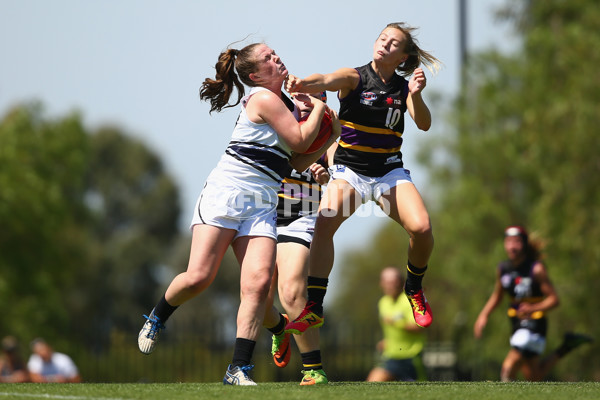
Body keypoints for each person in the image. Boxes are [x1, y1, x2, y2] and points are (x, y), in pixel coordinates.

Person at [137, 42, 339, 386]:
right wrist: (320, 107)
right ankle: (158, 316)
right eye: (268, 59)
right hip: (227, 195)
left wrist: (330, 135)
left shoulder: (288, 104)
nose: (277, 59)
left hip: (262, 203)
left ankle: (238, 368)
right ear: (254, 75)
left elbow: (296, 161)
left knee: (258, 286)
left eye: (276, 54)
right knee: (199, 277)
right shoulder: (262, 98)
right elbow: (301, 140)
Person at [284, 22, 442, 336]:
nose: (385, 44)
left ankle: (413, 289)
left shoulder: (402, 89)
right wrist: (303, 83)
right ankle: (314, 306)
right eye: (382, 38)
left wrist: (417, 94)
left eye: (393, 43)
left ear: (403, 56)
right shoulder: (354, 77)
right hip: (350, 172)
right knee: (323, 225)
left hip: (388, 171)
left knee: (422, 229)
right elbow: (326, 80)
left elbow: (423, 124)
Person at [263, 92, 336, 386]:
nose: (306, 102)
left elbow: (342, 180)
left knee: (291, 292)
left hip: (301, 218)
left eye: (315, 98)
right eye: (300, 97)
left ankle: (313, 369)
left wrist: (326, 179)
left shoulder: (329, 137)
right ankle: (280, 326)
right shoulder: (278, 124)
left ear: (324, 104)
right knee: (258, 301)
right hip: (265, 217)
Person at [473, 226, 593, 381]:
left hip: (534, 323)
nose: (512, 246)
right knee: (534, 376)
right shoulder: (503, 269)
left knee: (508, 368)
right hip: (516, 323)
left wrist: (532, 308)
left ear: (524, 244)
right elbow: (497, 296)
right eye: (508, 241)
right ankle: (566, 347)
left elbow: (554, 300)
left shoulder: (536, 269)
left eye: (516, 241)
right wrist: (483, 315)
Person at [367, 266, 426, 382]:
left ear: (401, 282)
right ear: (381, 284)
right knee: (373, 381)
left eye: (394, 282)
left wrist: (396, 323)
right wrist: (387, 341)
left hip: (411, 357)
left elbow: (419, 327)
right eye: (387, 282)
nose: (391, 285)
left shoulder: (411, 301)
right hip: (391, 356)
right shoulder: (383, 302)